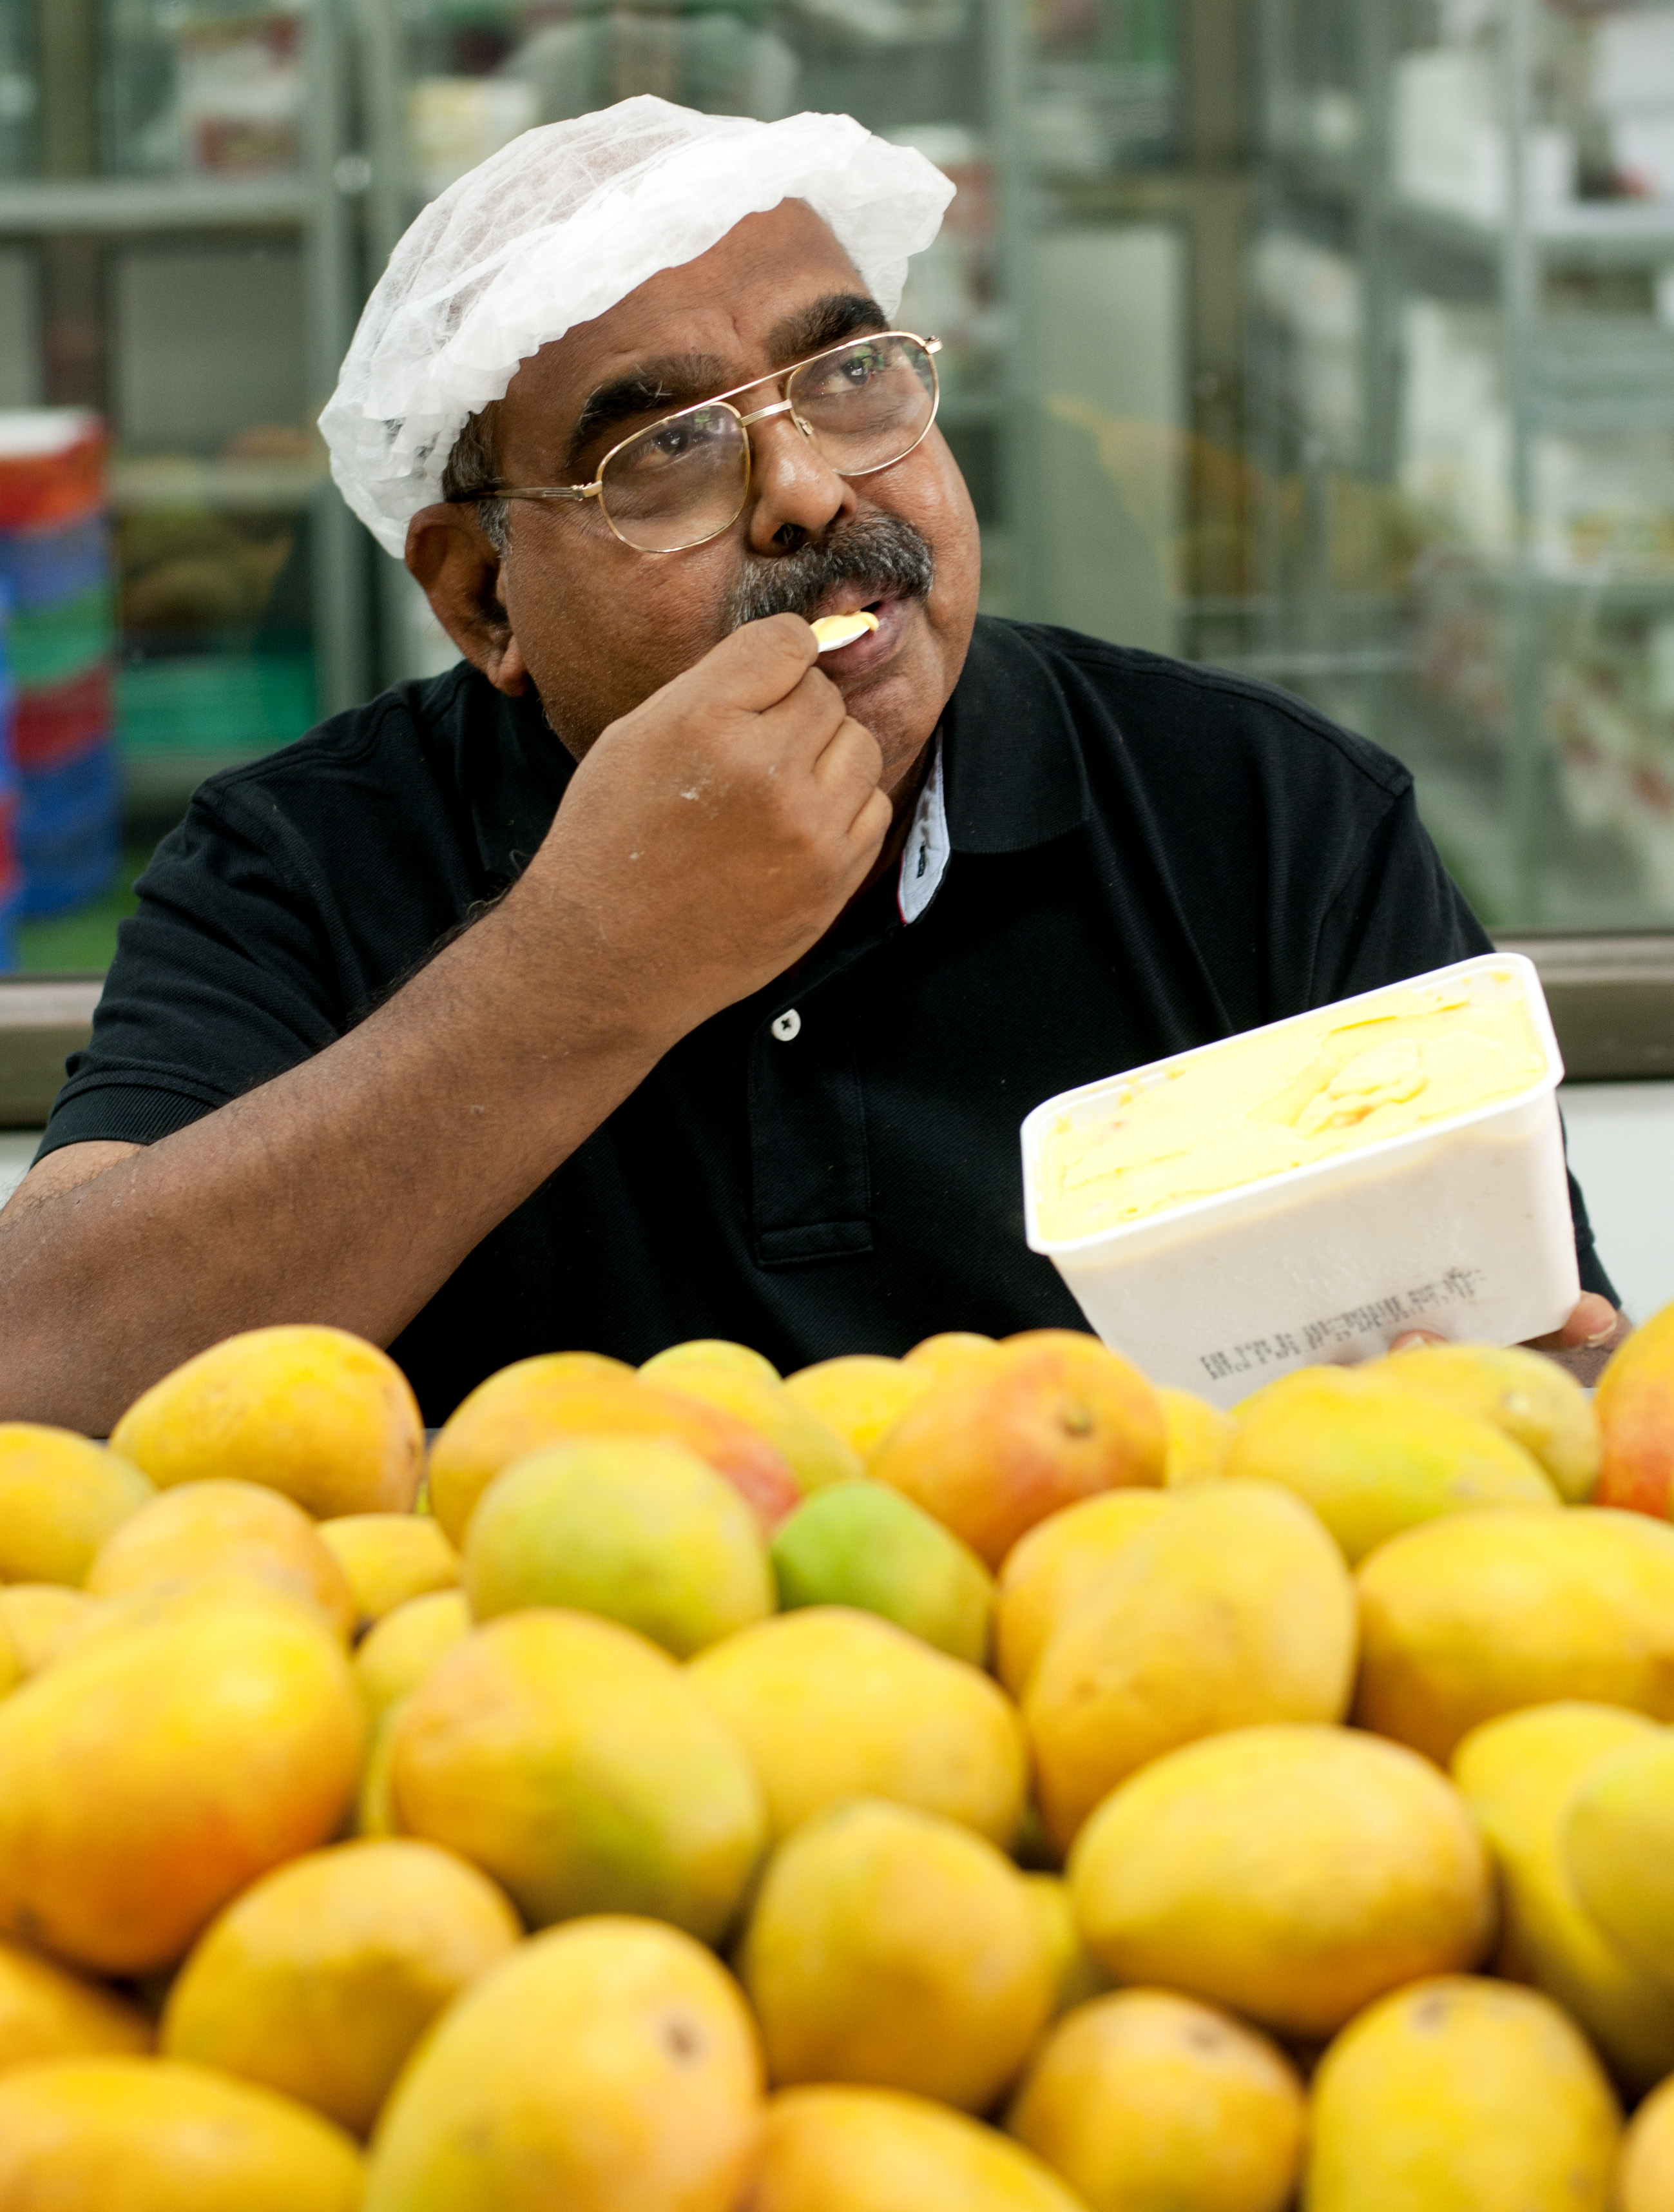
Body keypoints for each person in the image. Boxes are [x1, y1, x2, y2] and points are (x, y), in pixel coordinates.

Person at [0, 98, 1623, 1430]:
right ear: (481, 596)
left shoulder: (1267, 820)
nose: (805, 491)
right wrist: (587, 967)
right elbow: (40, 1378)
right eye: (668, 447)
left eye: (851, 378)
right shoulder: (300, 865)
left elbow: (1544, 1373)